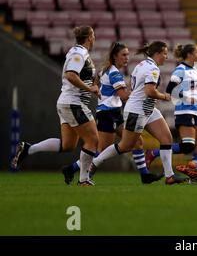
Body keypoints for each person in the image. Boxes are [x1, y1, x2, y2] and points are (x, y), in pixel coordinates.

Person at [11, 26, 100, 186]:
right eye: (93, 36)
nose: (94, 39)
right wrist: (89, 88)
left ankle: (28, 149)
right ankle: (84, 180)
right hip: (74, 103)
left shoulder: (81, 53)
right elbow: (71, 75)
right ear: (89, 37)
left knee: (68, 145)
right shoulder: (78, 53)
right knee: (93, 140)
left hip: (68, 102)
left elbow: (80, 76)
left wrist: (93, 85)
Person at [88, 41, 185, 184]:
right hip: (137, 110)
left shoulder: (142, 64)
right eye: (164, 53)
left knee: (166, 139)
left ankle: (169, 176)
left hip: (148, 109)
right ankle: (94, 163)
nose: (166, 56)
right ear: (157, 54)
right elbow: (149, 91)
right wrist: (165, 97)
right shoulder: (153, 69)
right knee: (125, 145)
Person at [61, 42, 157, 184]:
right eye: (124, 55)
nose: (127, 58)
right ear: (115, 56)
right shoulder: (114, 73)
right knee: (102, 151)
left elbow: (96, 85)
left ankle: (145, 175)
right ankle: (74, 170)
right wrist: (141, 94)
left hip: (113, 112)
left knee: (137, 142)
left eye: (128, 55)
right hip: (108, 114)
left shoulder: (107, 70)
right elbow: (124, 96)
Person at [145, 44, 197, 166]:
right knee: (188, 146)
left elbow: (196, 86)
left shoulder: (194, 70)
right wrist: (187, 98)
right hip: (184, 111)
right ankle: (154, 152)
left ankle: (196, 171)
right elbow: (170, 90)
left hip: (195, 111)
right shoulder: (180, 70)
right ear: (189, 54)